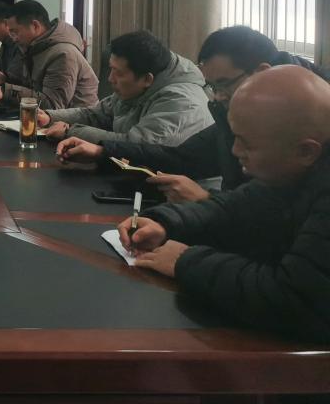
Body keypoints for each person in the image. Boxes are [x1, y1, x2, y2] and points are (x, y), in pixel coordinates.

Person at [117, 66, 330, 342]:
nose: (235, 151)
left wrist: (185, 261)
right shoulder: (292, 170)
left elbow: (295, 301)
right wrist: (168, 223)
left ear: (306, 151)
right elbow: (236, 206)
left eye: (246, 144)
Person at [56, 26, 313, 202]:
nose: (217, 97)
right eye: (213, 87)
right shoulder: (239, 111)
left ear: (261, 72)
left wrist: (206, 200)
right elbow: (181, 158)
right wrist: (103, 152)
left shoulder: (303, 123)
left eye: (223, 85)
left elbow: (278, 219)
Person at [38, 30, 212, 146]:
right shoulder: (135, 88)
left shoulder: (181, 102)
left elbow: (136, 145)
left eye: (118, 73)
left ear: (147, 79)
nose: (110, 79)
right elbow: (97, 114)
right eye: (111, 69)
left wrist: (70, 132)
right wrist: (49, 117)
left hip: (183, 187)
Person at [0, 0, 98, 109]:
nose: (13, 38)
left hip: (72, 122)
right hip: (43, 118)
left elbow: (53, 105)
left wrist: (6, 91)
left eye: (15, 31)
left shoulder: (63, 54)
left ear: (35, 26)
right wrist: (4, 79)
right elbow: (32, 89)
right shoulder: (34, 47)